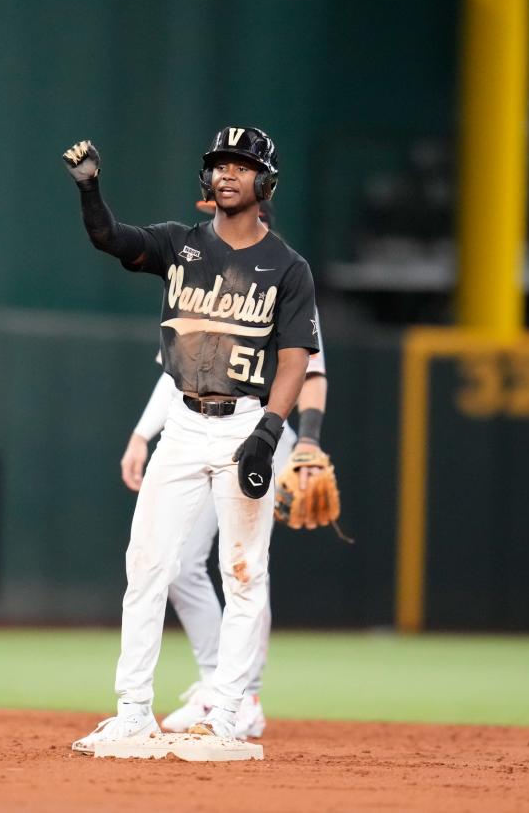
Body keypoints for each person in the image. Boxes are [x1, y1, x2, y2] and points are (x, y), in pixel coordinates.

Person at [62, 126, 319, 751]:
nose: (228, 174)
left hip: (243, 424)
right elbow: (109, 238)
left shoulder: (287, 267)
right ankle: (132, 715)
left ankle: (225, 716)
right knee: (147, 565)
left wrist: (270, 432)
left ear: (266, 181)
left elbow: (294, 360)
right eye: (219, 165)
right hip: (181, 423)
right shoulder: (180, 246)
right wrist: (90, 188)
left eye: (242, 165)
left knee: (243, 574)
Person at [119, 202, 329, 740]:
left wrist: (304, 444)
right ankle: (216, 682)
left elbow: (309, 372)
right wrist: (145, 434)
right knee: (182, 562)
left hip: (259, 431)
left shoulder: (282, 275)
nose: (213, 203)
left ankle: (245, 695)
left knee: (242, 567)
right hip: (191, 428)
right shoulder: (201, 269)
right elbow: (178, 375)